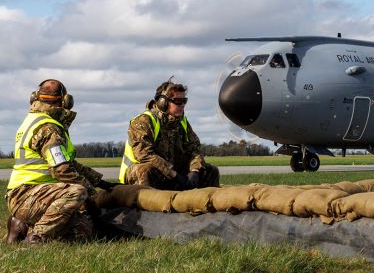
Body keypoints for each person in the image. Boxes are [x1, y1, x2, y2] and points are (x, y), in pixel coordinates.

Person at [5, 79, 115, 244]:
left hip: (36, 195)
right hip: (27, 194)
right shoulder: (48, 128)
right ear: (65, 101)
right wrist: (92, 195)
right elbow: (62, 170)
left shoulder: (34, 120)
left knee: (84, 231)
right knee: (77, 191)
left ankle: (21, 226)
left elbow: (70, 164)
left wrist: (101, 182)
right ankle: (36, 238)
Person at [119, 80, 219, 190]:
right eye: (177, 101)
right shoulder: (143, 121)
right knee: (146, 171)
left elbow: (194, 149)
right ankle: (146, 206)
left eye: (184, 101)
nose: (182, 105)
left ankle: (203, 205)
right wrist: (174, 174)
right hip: (142, 172)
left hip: (172, 172)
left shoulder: (182, 122)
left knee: (211, 171)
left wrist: (194, 171)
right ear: (162, 102)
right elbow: (144, 155)